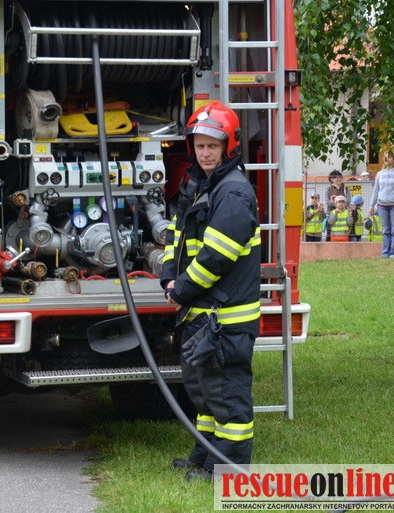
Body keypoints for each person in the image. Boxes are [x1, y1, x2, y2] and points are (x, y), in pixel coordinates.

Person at [160, 101, 260, 480]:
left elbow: (216, 257)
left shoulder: (233, 193)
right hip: (204, 315)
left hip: (227, 319)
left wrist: (181, 290)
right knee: (205, 395)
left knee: (228, 398)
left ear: (228, 147)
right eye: (200, 145)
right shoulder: (199, 183)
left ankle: (227, 471)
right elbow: (177, 237)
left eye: (212, 146)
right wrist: (168, 276)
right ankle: (203, 459)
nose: (205, 153)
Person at [368, 150, 394, 258]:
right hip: (381, 205)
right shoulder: (380, 174)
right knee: (385, 230)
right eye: (385, 157)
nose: (386, 159)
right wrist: (371, 206)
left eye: (389, 157)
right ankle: (385, 253)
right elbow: (376, 190)